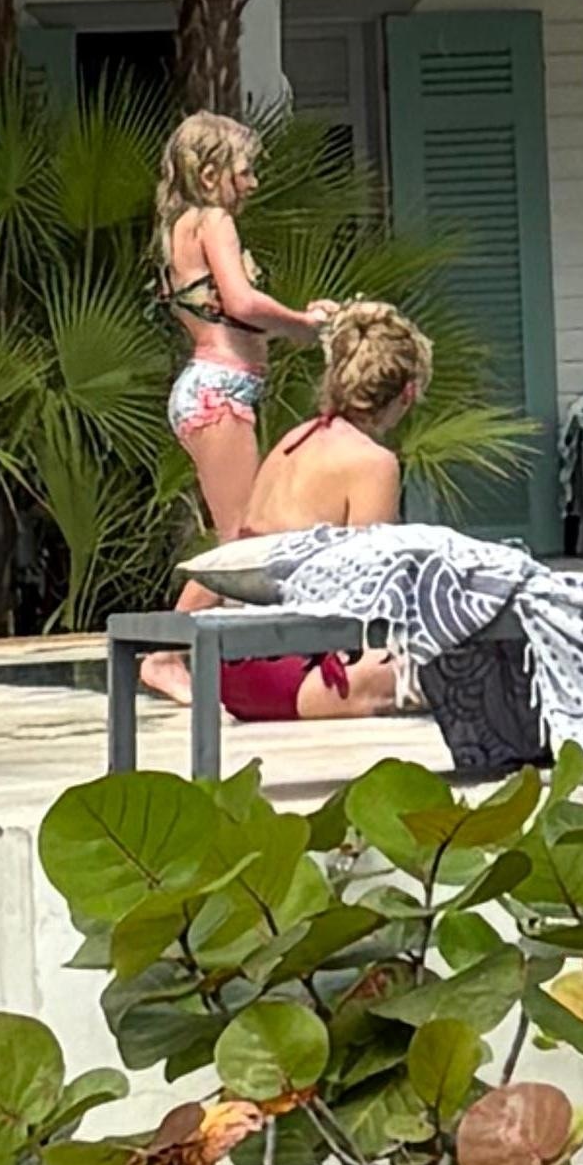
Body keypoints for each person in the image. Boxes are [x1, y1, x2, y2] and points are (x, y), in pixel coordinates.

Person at [191, 299, 432, 720]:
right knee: (445, 663)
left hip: (234, 673)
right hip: (295, 674)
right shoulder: (373, 463)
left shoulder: (293, 440)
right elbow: (368, 595)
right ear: (407, 393)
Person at [154, 113, 320, 544]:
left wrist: (294, 322)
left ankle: (174, 616)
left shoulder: (178, 227)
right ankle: (178, 616)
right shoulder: (213, 221)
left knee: (238, 539)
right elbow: (241, 302)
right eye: (245, 172)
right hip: (220, 390)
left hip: (213, 387)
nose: (253, 183)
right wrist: (302, 324)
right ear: (210, 175)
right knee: (240, 539)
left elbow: (224, 314)